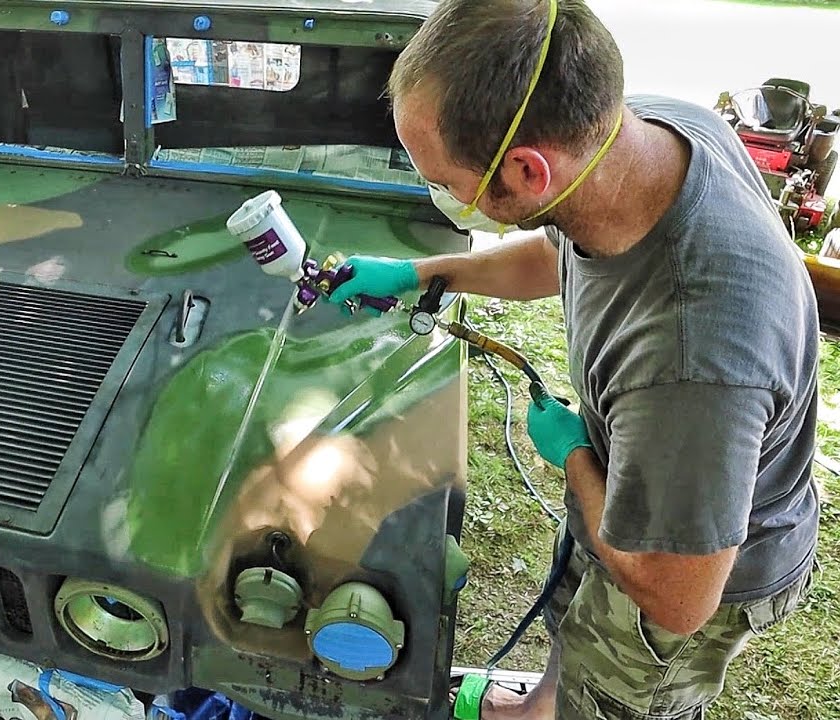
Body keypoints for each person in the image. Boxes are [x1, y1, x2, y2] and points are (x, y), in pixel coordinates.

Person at [327, 1, 821, 718]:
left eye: (444, 179)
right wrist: (422, 274)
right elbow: (560, 247)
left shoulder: (693, 355)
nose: (440, 192)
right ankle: (538, 707)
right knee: (580, 621)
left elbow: (677, 597)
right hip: (645, 477)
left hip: (695, 561)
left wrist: (575, 462)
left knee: (613, 684)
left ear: (527, 171)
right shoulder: (634, 139)